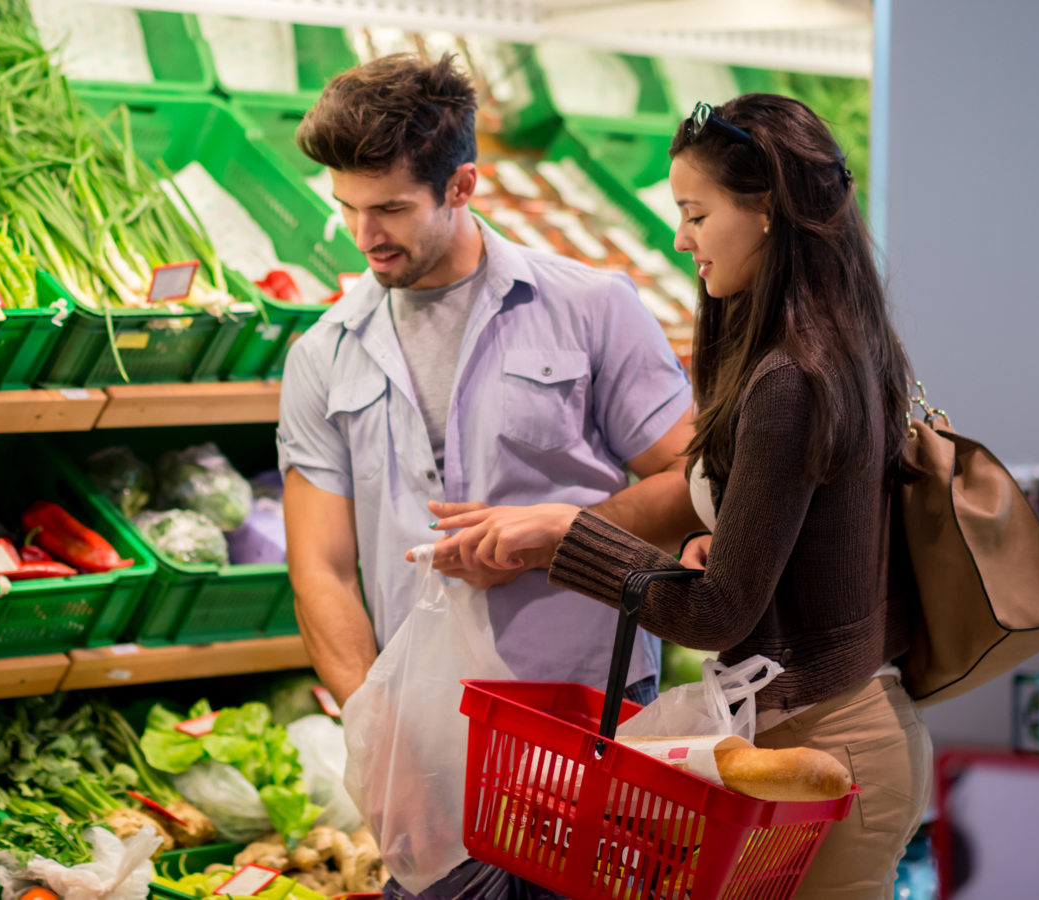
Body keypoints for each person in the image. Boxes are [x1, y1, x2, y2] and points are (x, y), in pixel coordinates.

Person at [431, 94, 932, 900]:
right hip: (826, 731)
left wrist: (570, 533)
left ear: (765, 209)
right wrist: (727, 539)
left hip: (828, 752)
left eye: (695, 213)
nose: (680, 238)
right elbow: (824, 532)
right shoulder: (843, 342)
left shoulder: (787, 377)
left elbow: (718, 616)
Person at [277, 54, 703, 899]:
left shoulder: (591, 308)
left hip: (587, 723)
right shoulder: (323, 354)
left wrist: (559, 536)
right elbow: (319, 567)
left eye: (392, 207)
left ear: (462, 184)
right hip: (426, 746)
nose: (367, 237)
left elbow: (693, 480)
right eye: (348, 209)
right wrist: (376, 730)